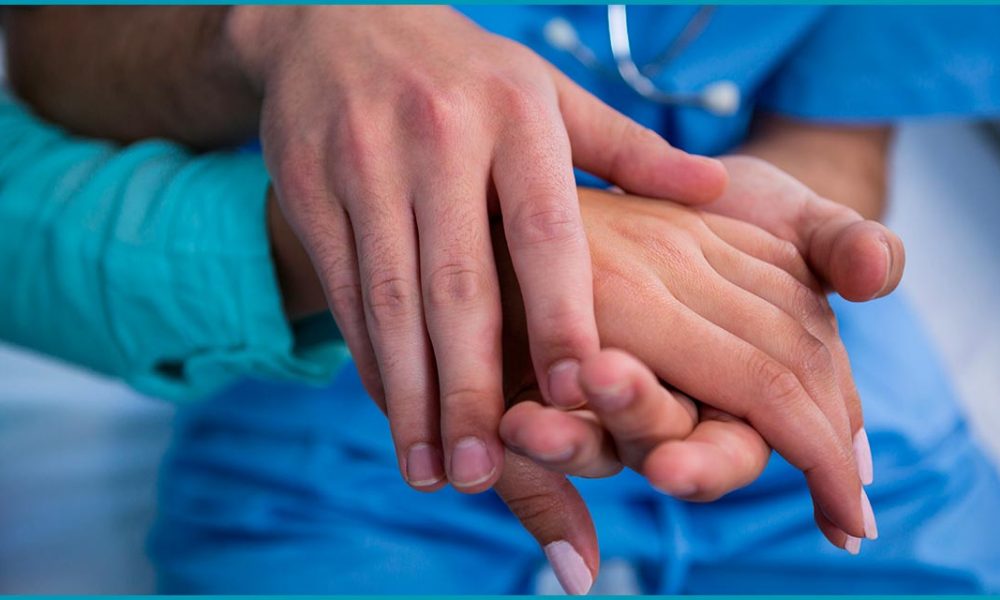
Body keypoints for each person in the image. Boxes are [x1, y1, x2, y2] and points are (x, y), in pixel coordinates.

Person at [2, 4, 999, 594]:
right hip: (340, 387)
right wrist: (296, 24)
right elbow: (58, 53)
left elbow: (840, 131)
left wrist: (746, 244)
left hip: (780, 342)